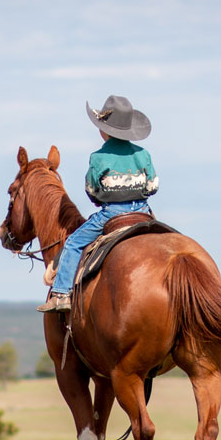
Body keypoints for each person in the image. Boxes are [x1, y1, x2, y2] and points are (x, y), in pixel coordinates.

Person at [37, 95, 158, 313]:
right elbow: (153, 186)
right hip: (142, 212)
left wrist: (104, 196)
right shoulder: (143, 154)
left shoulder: (98, 157)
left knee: (73, 243)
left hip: (111, 214)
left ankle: (62, 294)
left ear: (104, 130)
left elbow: (92, 190)